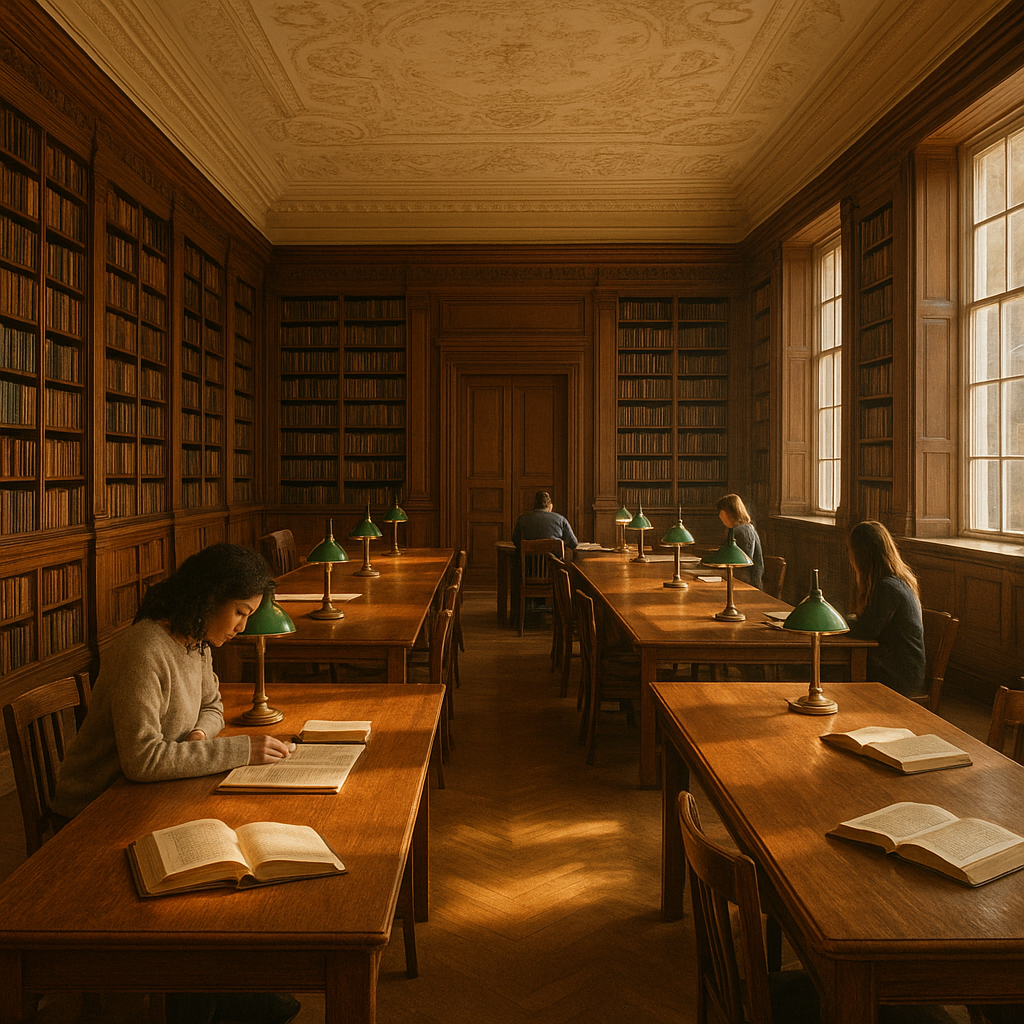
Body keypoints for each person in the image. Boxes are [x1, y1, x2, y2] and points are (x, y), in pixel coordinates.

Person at [52, 542, 300, 1024]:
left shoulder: (195, 641)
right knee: (203, 889)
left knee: (231, 863)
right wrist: (240, 749)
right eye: (240, 612)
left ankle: (231, 998)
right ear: (210, 598)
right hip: (94, 816)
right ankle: (215, 1003)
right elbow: (142, 760)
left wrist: (201, 735)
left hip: (149, 798)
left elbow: (212, 704)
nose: (243, 626)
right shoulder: (146, 648)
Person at [846, 520, 926, 698]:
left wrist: (839, 621)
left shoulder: (887, 587)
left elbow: (867, 630)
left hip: (898, 676)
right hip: (901, 668)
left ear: (862, 555)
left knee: (834, 673)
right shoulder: (897, 580)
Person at [716, 494, 763, 590]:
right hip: (739, 579)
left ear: (728, 513)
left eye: (721, 513)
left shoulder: (742, 530)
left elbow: (742, 562)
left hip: (747, 584)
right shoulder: (741, 528)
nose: (720, 516)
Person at [512, 491, 578, 551]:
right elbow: (573, 543)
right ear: (550, 506)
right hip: (554, 562)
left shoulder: (523, 520)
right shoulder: (560, 519)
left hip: (530, 562)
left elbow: (515, 541)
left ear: (534, 505)